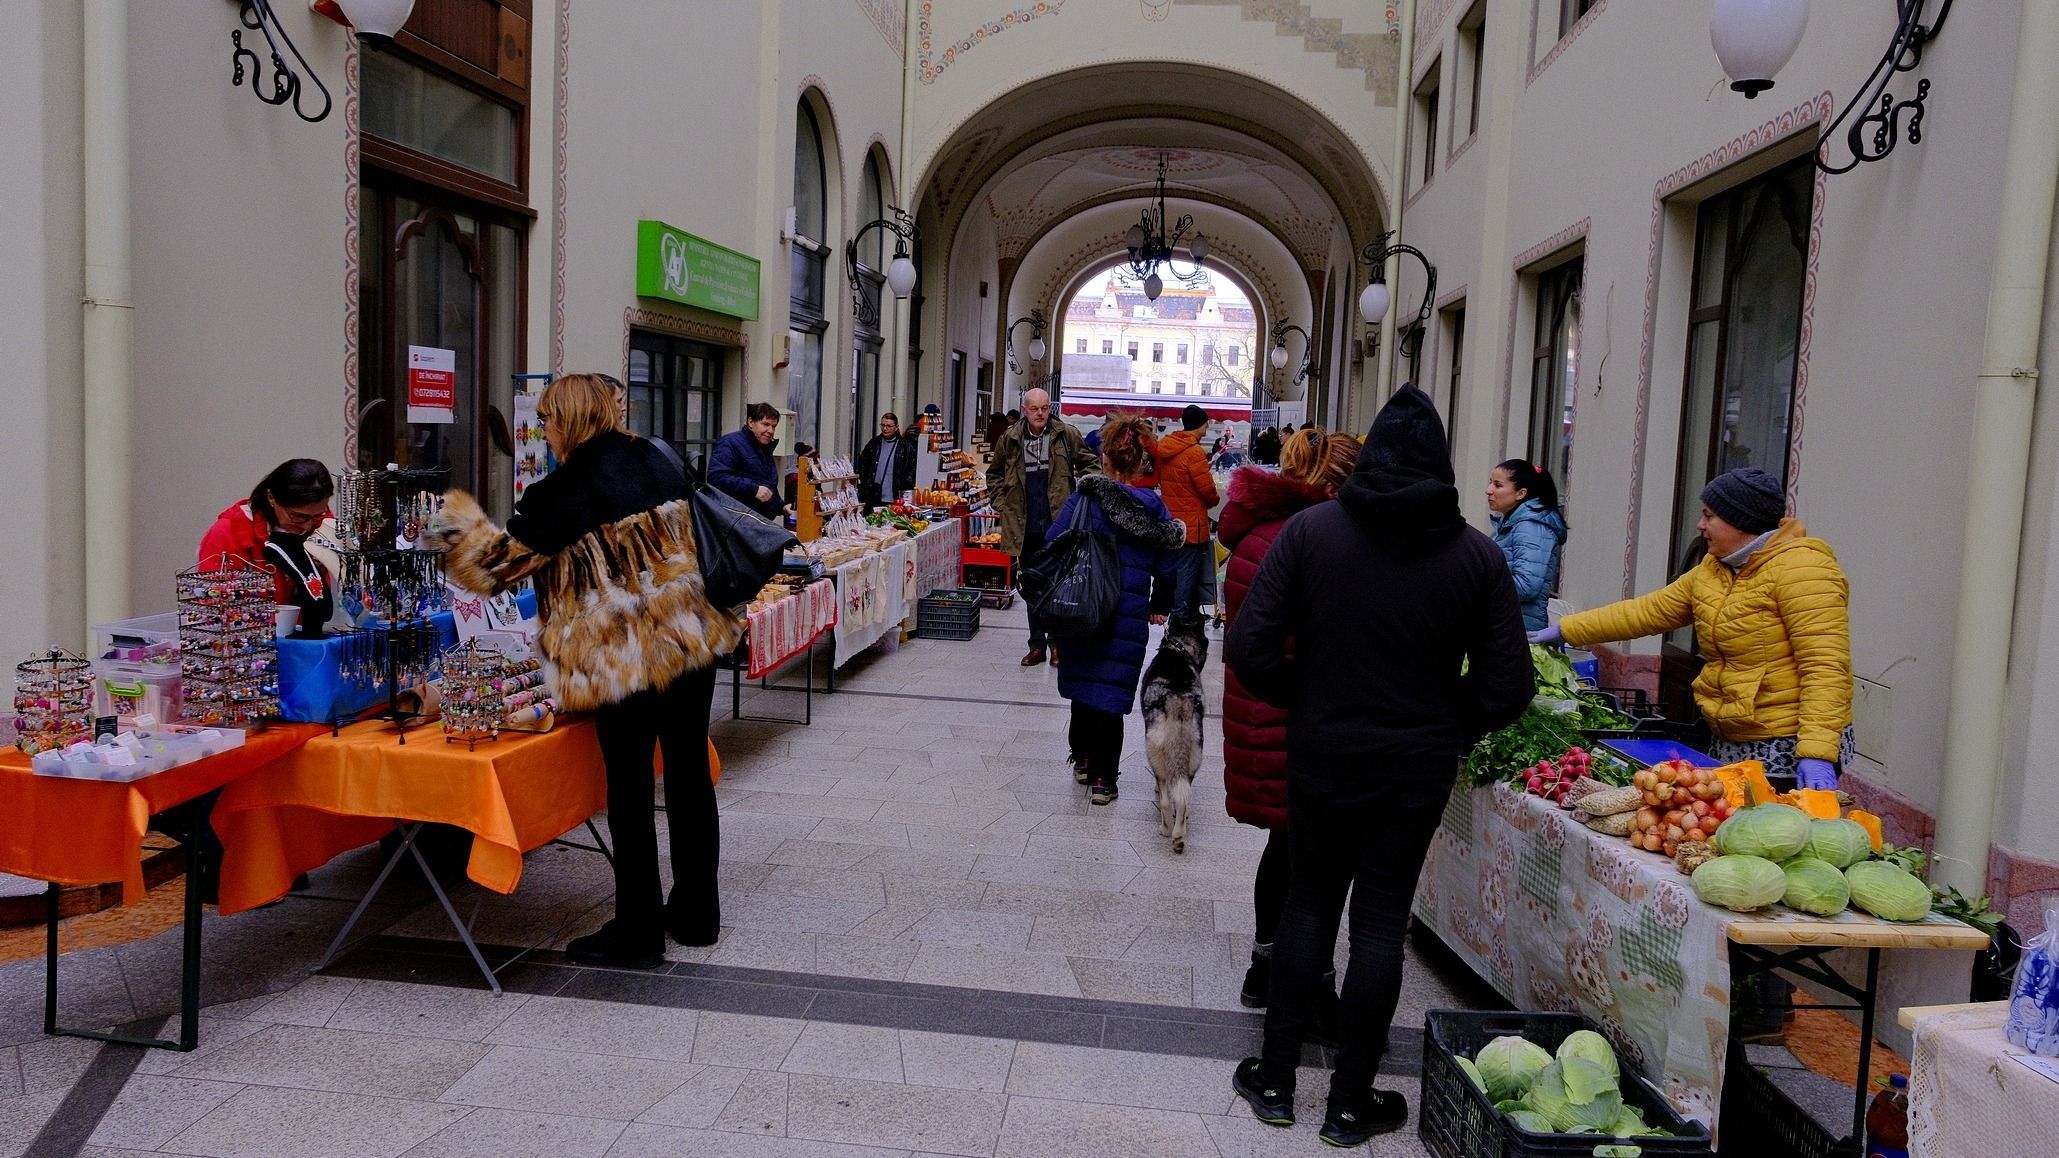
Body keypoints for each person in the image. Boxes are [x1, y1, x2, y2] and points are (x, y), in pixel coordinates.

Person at [1226, 385, 1532, 1145]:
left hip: (1323, 750)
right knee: (1378, 925)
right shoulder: (1476, 557)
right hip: (1414, 764)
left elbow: (1250, 648)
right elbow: (1508, 685)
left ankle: (1273, 1080)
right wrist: (1442, 718)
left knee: (1307, 907)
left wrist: (1307, 699)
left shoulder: (1309, 534)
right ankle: (1349, 1101)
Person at [440, 373, 744, 969]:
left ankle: (637, 931)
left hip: (623, 656)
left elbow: (491, 571)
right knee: (687, 775)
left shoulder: (563, 491)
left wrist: (451, 519)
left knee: (628, 788)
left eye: (549, 420)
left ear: (569, 421)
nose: (544, 432)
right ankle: (696, 915)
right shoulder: (658, 456)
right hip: (689, 641)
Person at [1532, 466, 1853, 790]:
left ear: (1740, 520)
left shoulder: (1805, 570)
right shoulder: (1714, 569)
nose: (1700, 525)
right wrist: (1567, 630)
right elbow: (1647, 611)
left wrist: (1816, 753)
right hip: (1732, 730)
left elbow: (1825, 668)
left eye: (1709, 516)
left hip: (1787, 744)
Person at [1218, 427, 1360, 1009]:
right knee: (1310, 855)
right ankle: (1304, 981)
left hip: (1260, 705)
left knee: (1285, 844)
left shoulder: (1255, 530)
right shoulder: (1317, 539)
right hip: (1295, 710)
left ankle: (1265, 966)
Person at [1049, 414, 1185, 805]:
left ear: (1105, 459)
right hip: (1126, 612)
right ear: (1141, 461)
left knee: (1083, 686)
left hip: (1082, 608)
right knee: (1110, 690)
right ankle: (1105, 780)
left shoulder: (1085, 498)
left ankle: (1083, 759)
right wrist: (1160, 603)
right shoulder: (1154, 510)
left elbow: (1055, 541)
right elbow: (1168, 563)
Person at [987, 387, 1097, 666]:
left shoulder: (1065, 435)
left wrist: (1082, 501)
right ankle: (1037, 644)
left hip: (1059, 526)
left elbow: (1091, 466)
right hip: (1024, 527)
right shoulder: (1009, 439)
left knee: (1059, 585)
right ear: (1024, 409)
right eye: (1034, 408)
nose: (1040, 414)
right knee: (1032, 586)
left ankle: (1057, 644)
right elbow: (994, 473)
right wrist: (1002, 503)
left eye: (1044, 408)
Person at [199, 458, 335, 638]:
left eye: (317, 515)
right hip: (247, 641)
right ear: (271, 497)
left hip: (303, 640)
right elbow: (214, 604)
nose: (307, 525)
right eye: (297, 516)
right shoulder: (229, 532)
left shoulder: (321, 527)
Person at [1146, 404, 1222, 625]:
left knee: (1172, 572)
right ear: (1200, 425)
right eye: (1206, 422)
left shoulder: (1167, 447)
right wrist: (1215, 501)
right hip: (1192, 525)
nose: (1208, 426)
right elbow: (1207, 491)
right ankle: (1180, 620)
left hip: (1171, 522)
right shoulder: (1194, 452)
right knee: (1188, 576)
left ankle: (1169, 613)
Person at [1487, 459, 1568, 632]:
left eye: (1497, 485)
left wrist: (1477, 583)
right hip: (1505, 626)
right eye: (1490, 483)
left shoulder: (1530, 526)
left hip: (1518, 630)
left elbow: (1526, 586)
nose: (1488, 491)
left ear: (1521, 493)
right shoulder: (1511, 523)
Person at [710, 402, 786, 520]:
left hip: (758, 524)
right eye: (765, 424)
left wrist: (782, 507)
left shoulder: (764, 448)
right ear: (751, 422)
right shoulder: (730, 443)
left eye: (773, 426)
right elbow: (716, 478)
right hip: (735, 524)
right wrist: (753, 489)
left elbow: (767, 488)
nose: (770, 430)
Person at [856, 412, 917, 508]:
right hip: (873, 496)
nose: (885, 428)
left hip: (895, 497)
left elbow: (912, 469)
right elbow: (862, 463)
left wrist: (904, 484)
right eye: (883, 425)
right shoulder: (874, 443)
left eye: (889, 426)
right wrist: (865, 483)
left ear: (896, 427)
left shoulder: (905, 447)